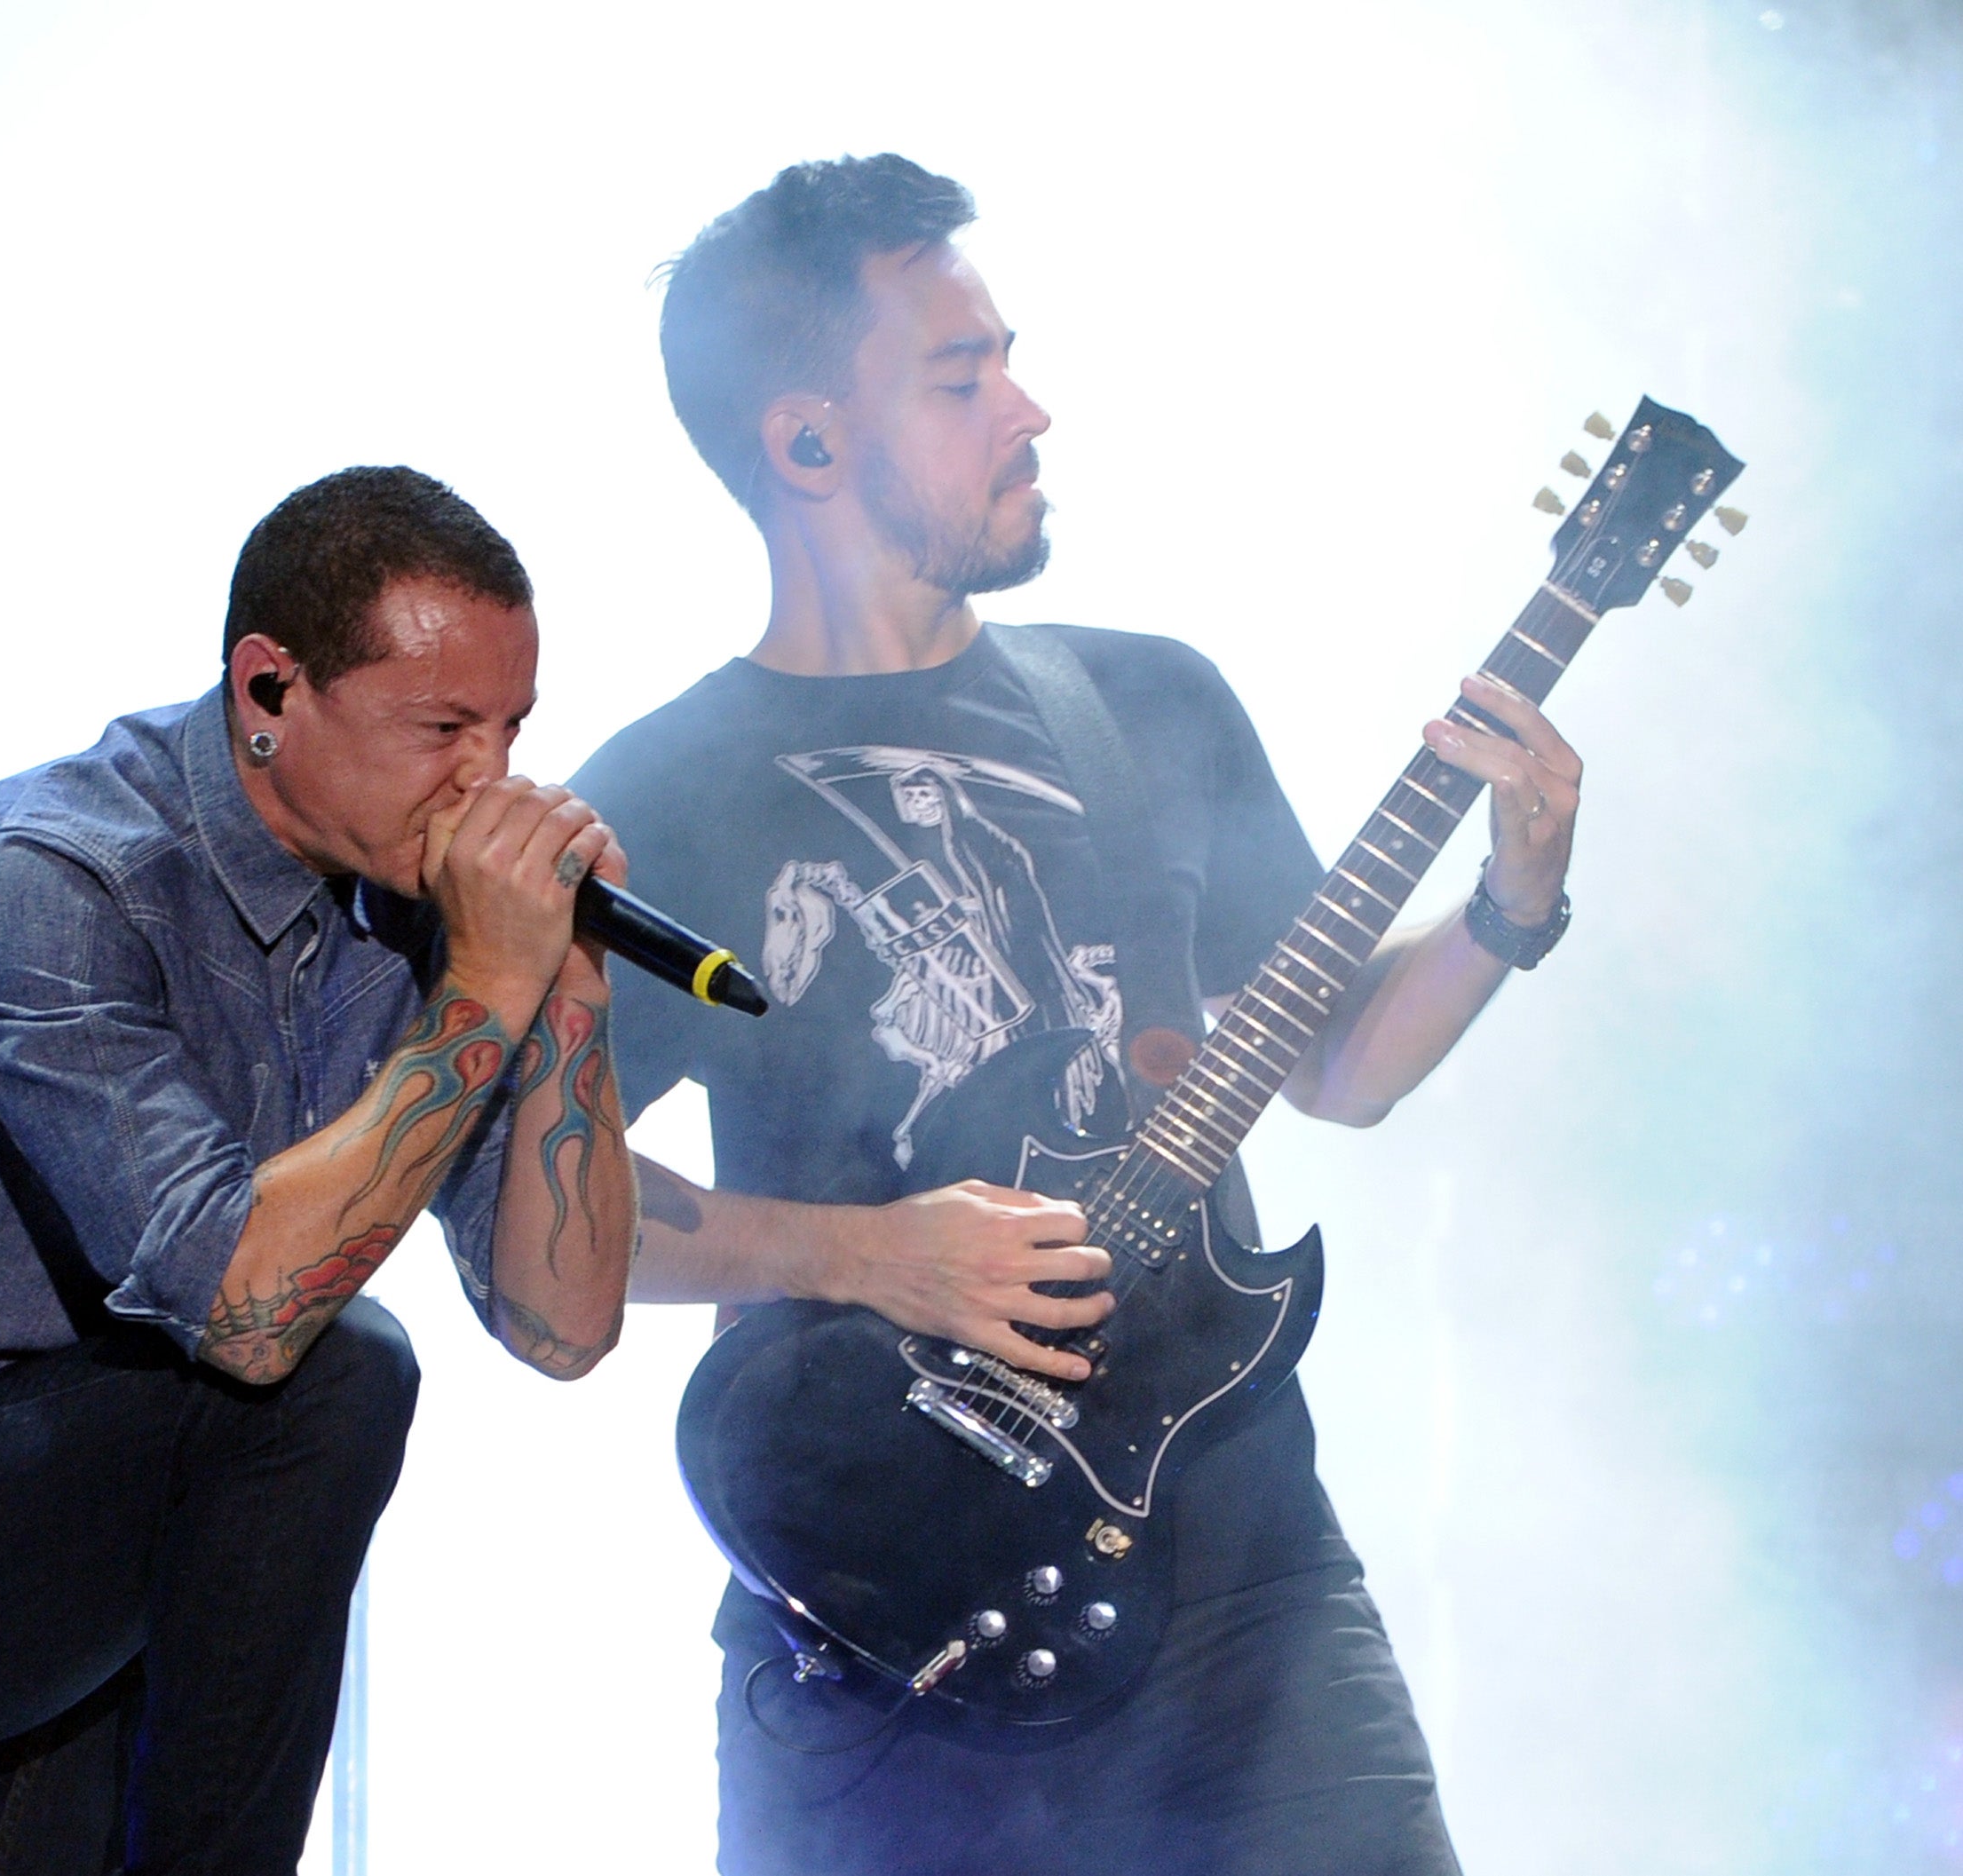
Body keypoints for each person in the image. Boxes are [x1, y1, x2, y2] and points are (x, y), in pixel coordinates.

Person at [570, 156, 1582, 1875]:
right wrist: (868, 1252)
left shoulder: (1143, 695)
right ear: (807, 444)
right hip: (890, 1604)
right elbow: (550, 1227)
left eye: (1007, 359)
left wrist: (1516, 896)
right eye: (961, 381)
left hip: (1250, 1577)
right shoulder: (662, 799)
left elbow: (1336, 1063)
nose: (1029, 409)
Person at [0, 466, 637, 1874]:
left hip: (113, 1509)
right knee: (336, 1370)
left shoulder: (430, 927)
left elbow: (564, 1326)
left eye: (511, 730)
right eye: (443, 725)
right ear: (270, 689)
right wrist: (487, 986)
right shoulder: (51, 875)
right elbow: (253, 1319)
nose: (489, 780)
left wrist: (564, 993)